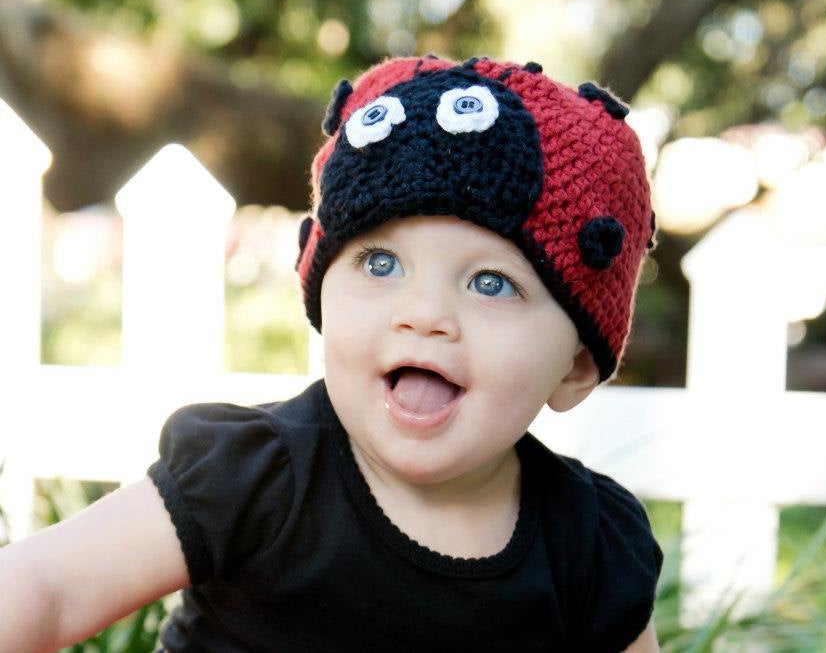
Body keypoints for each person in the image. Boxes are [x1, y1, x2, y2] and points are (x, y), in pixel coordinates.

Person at [0, 55, 663, 652]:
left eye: (491, 283)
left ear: (576, 366)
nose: (424, 314)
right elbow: (48, 587)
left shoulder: (588, 545)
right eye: (380, 262)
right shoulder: (254, 476)